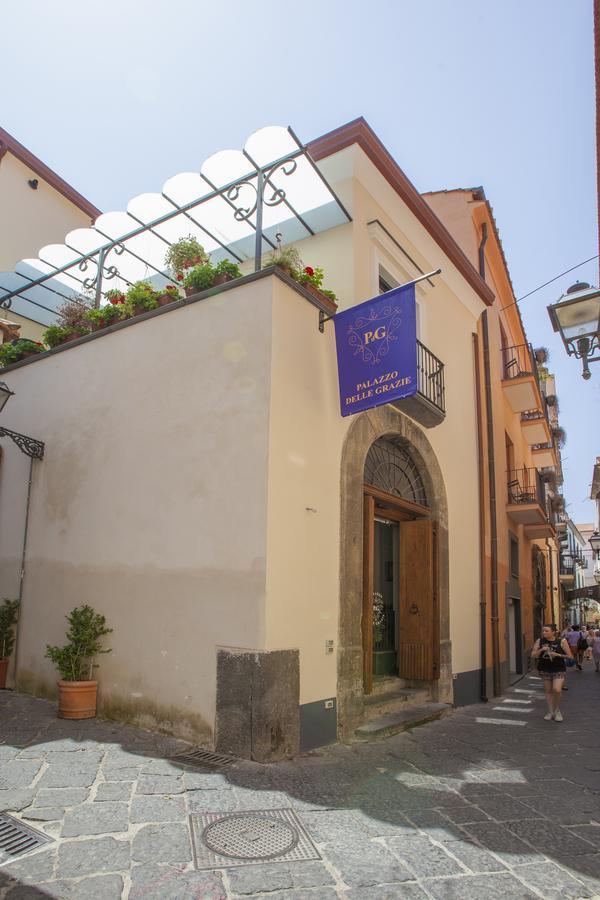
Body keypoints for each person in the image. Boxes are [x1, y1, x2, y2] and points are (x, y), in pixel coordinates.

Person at [532, 624, 572, 721]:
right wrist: (541, 649)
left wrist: (557, 654)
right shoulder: (540, 641)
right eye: (543, 631)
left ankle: (557, 710)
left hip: (558, 669)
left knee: (557, 690)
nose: (544, 633)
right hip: (545, 669)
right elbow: (533, 655)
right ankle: (551, 711)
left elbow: (570, 656)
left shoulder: (561, 641)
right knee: (548, 691)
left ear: (553, 632)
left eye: (546, 631)